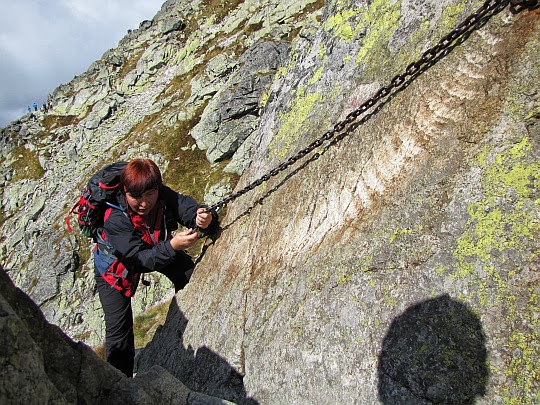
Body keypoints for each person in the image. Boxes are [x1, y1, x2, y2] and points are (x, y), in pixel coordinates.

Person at [93, 158, 218, 377]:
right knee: (119, 335)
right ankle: (119, 385)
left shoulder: (161, 195)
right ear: (125, 191)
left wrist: (204, 219)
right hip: (114, 269)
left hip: (152, 248)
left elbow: (186, 209)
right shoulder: (113, 216)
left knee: (189, 274)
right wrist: (171, 246)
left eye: (150, 194)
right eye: (136, 197)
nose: (144, 203)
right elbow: (138, 260)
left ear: (157, 188)